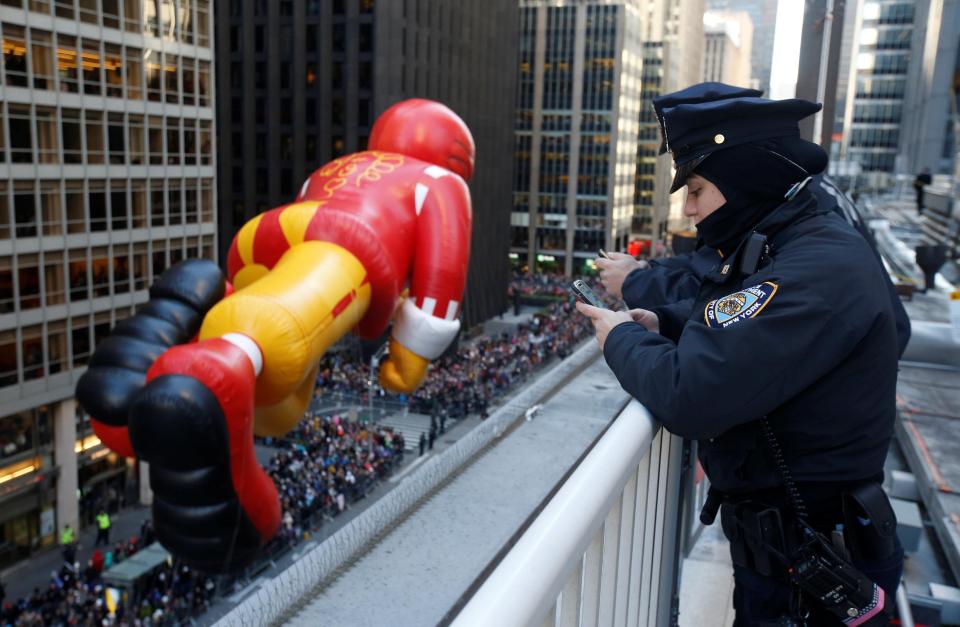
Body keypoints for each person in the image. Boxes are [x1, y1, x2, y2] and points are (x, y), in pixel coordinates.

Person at [577, 90, 903, 625]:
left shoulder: (815, 267)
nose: (689, 208)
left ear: (746, 180)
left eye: (699, 189)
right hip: (789, 562)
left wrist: (619, 338)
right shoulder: (794, 246)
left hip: (807, 582)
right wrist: (664, 322)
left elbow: (691, 393)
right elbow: (737, 319)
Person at [598, 83, 910, 357]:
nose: (689, 208)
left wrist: (635, 284)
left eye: (696, 189)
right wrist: (654, 273)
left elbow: (730, 298)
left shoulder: (775, 206)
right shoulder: (799, 195)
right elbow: (715, 273)